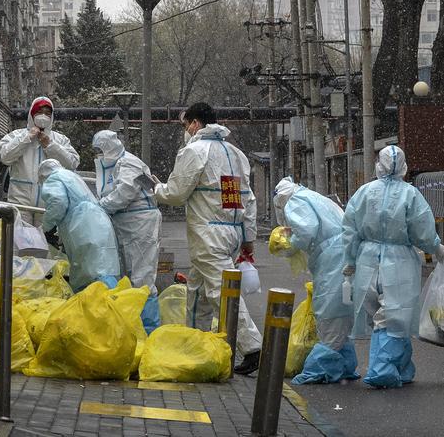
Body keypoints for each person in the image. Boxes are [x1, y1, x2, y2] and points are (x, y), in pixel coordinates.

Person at [153, 102, 262, 375]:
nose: (185, 131)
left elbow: (176, 193)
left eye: (185, 125)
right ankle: (196, 341)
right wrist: (248, 237)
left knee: (221, 292)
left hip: (208, 234)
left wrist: (156, 188)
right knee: (198, 291)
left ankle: (253, 347)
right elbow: (248, 199)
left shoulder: (194, 151)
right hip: (232, 231)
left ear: (194, 123)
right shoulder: (235, 154)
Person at [342, 146, 444, 388]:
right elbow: (424, 232)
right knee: (394, 317)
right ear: (403, 166)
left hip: (367, 260)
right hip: (399, 262)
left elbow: (349, 230)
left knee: (383, 315)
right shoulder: (411, 195)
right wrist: (438, 250)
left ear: (379, 164)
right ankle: (383, 369)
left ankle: (402, 366)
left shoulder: (364, 193)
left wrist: (349, 262)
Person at [273, 177, 359, 385]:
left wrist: (289, 245)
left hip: (333, 257)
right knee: (341, 308)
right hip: (345, 252)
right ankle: (344, 363)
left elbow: (306, 230)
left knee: (330, 308)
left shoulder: (295, 201)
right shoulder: (314, 197)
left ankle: (319, 367)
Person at [92, 130, 162, 333]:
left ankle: (148, 330)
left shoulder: (129, 163)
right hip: (128, 224)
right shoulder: (115, 165)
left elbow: (125, 193)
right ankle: (134, 327)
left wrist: (101, 206)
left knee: (142, 277)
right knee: (130, 276)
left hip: (141, 224)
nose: (98, 155)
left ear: (109, 148)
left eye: (100, 150)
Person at [38, 159, 120, 292]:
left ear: (42, 174)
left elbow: (58, 203)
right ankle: (112, 304)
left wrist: (46, 227)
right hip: (99, 222)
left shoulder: (53, 179)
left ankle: (99, 305)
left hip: (83, 226)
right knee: (104, 267)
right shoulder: (72, 176)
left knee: (90, 272)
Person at [0, 96, 79, 226]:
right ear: (31, 114)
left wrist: (50, 145)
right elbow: (5, 156)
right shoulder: (16, 135)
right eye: (39, 112)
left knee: (45, 244)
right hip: (20, 201)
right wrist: (27, 137)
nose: (43, 116)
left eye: (47, 113)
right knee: (21, 242)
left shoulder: (60, 140)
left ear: (52, 117)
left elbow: (72, 164)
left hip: (49, 203)